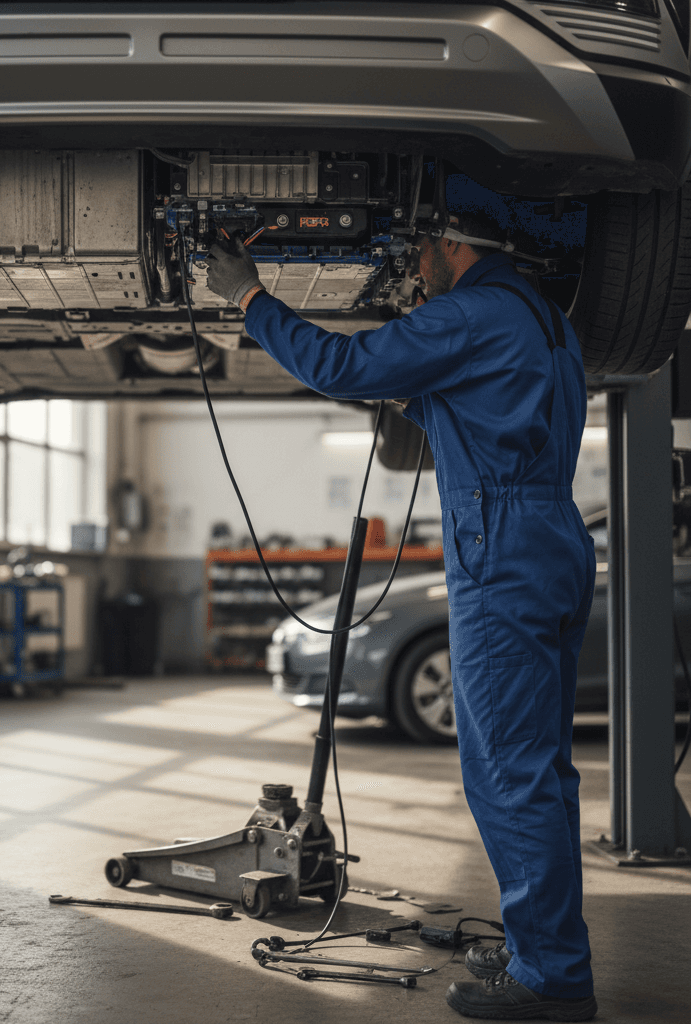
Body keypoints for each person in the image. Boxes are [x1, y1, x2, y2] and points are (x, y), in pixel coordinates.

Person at [207, 212, 598, 1022]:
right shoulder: (545, 319)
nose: (415, 265)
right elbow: (487, 414)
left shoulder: (469, 313)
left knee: (506, 773)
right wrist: (412, 388)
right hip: (553, 538)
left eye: (421, 249)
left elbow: (339, 364)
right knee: (543, 771)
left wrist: (250, 298)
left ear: (456, 243)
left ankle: (554, 978)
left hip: (501, 547)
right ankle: (544, 948)